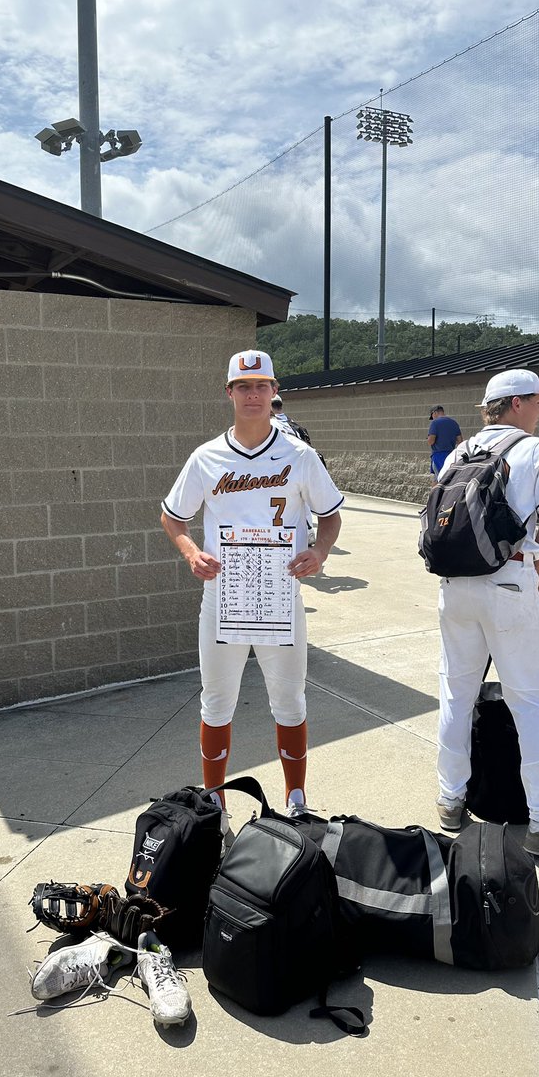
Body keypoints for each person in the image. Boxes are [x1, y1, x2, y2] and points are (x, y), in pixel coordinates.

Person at [161, 350, 344, 818]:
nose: (253, 394)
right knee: (216, 700)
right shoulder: (206, 457)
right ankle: (214, 802)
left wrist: (320, 552)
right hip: (223, 599)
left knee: (289, 698)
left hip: (281, 599)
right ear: (229, 392)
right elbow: (172, 517)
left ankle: (296, 797)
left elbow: (330, 516)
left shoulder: (300, 456)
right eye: (244, 386)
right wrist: (190, 552)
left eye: (261, 385)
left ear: (274, 390)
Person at [432, 369, 539, 856]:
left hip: (454, 585)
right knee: (533, 700)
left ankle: (450, 800)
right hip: (508, 582)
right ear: (517, 403)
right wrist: (538, 571)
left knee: (456, 692)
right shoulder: (538, 452)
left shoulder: (459, 453)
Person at [427, 404, 463, 476]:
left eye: (432, 416)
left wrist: (428, 439)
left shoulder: (435, 423)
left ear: (435, 413)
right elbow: (460, 441)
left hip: (438, 456)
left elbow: (431, 441)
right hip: (451, 455)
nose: (433, 418)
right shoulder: (454, 423)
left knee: (438, 479)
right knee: (448, 478)